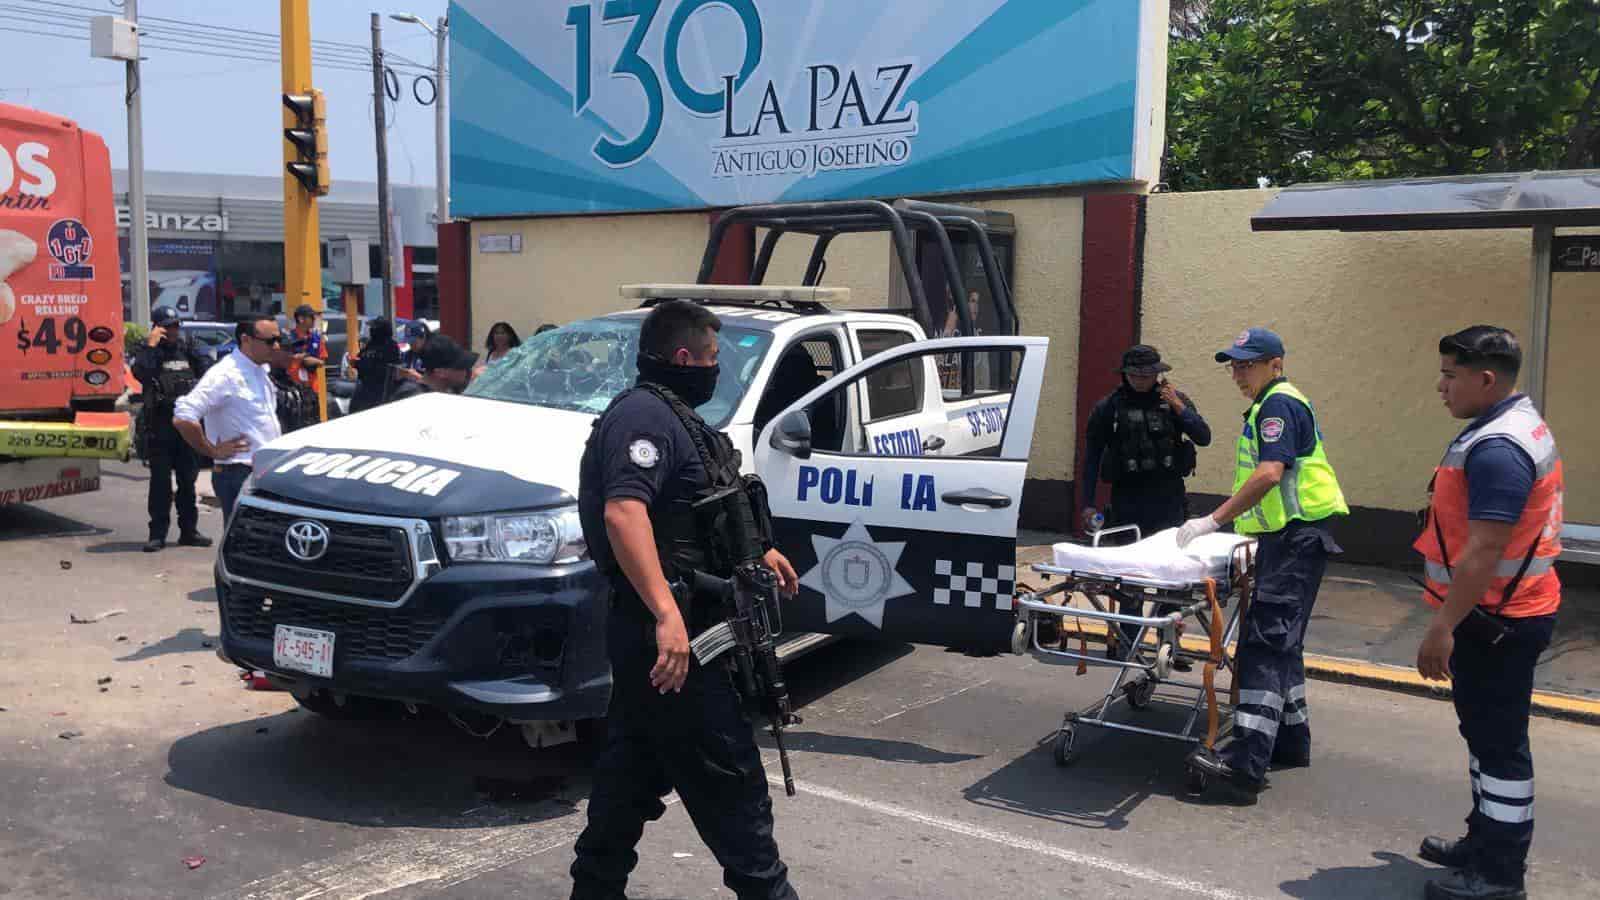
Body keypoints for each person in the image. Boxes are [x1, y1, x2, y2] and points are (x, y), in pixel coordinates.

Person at [570, 299, 801, 900]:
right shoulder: (642, 419)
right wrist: (666, 615)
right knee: (733, 787)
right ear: (683, 357)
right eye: (712, 357)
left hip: (677, 631)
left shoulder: (676, 418)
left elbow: (698, 514)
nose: (715, 368)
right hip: (676, 640)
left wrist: (757, 554)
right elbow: (625, 514)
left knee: (627, 782)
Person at [1412, 327, 1560, 900]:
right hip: (1498, 614)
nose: (1441, 386)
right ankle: (1483, 840)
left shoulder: (1499, 446)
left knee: (1499, 748)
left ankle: (1498, 875)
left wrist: (1441, 627)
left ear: (1486, 379)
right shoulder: (1504, 427)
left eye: (1451, 375)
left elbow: (1484, 551)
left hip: (1497, 620)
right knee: (1483, 736)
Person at [1177, 327, 1348, 802]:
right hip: (1294, 539)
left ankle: (1244, 766)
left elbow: (1271, 472)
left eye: (1246, 364)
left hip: (1295, 540)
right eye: (1233, 364)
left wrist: (1213, 520)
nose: (1238, 373)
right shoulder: (1274, 403)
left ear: (1275, 363)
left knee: (1261, 648)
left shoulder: (1278, 404)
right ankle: (1290, 742)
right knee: (1284, 644)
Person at [1081, 344, 1211, 658]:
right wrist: (1087, 504)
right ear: (1125, 374)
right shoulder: (1109, 407)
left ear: (1158, 373)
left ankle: (1169, 643)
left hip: (1168, 501)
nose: (1142, 380)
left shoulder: (1174, 401)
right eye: (1136, 374)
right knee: (1131, 578)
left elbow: (1204, 436)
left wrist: (1179, 407)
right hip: (1128, 503)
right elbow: (1091, 457)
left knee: (1173, 578)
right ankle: (1130, 643)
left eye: (1149, 374)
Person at [173, 314, 284, 523]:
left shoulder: (260, 370)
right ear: (246, 340)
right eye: (270, 341)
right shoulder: (226, 375)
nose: (276, 346)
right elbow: (183, 417)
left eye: (279, 339)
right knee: (245, 544)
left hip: (263, 471)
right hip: (239, 473)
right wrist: (212, 451)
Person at [131, 305, 212, 553]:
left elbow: (209, 374)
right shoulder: (148, 352)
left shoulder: (188, 348)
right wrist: (152, 345)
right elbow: (141, 372)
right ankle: (157, 534)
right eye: (167, 326)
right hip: (160, 425)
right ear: (157, 328)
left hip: (186, 425)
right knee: (160, 484)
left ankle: (189, 531)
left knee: (188, 481)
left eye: (176, 325)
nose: (173, 330)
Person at [388, 333, 478, 400]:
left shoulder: (438, 395)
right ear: (441, 372)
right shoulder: (415, 400)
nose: (467, 371)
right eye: (462, 366)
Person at [349, 317, 402, 413]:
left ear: (381, 330)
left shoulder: (390, 346)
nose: (370, 330)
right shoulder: (371, 344)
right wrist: (355, 363)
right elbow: (361, 357)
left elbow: (385, 369)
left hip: (380, 391)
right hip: (365, 387)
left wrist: (362, 364)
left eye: (373, 328)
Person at [285, 303, 326, 390]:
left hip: (312, 387)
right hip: (293, 386)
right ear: (301, 319)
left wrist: (315, 361)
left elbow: (323, 359)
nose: (314, 319)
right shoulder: (287, 339)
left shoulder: (317, 338)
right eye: (311, 317)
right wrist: (300, 359)